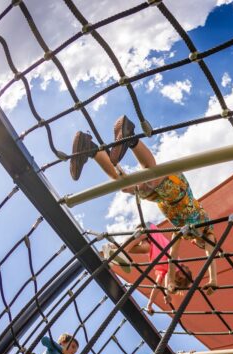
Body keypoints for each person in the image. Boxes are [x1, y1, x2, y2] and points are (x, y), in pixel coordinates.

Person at [71, 116, 217, 295]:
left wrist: (169, 282)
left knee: (125, 186)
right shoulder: (206, 228)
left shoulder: (185, 233)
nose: (198, 243)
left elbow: (172, 255)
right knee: (152, 175)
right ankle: (130, 136)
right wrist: (213, 280)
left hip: (161, 199)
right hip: (178, 193)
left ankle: (91, 149)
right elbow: (211, 253)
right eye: (201, 244)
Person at [101, 223, 192, 312]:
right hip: (150, 230)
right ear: (186, 269)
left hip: (149, 243)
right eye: (182, 274)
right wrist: (167, 292)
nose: (179, 275)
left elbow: (157, 286)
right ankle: (118, 253)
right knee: (133, 243)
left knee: (144, 248)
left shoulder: (163, 270)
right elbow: (169, 275)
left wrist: (149, 304)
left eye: (179, 279)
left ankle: (111, 248)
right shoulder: (177, 263)